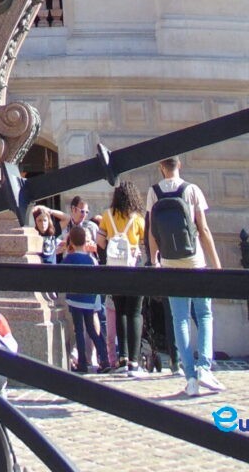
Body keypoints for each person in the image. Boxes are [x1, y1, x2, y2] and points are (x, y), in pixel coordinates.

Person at [146, 155, 223, 398]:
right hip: (194, 260)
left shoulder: (153, 191)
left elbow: (151, 232)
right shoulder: (192, 190)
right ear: (179, 165)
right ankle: (204, 368)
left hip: (169, 261)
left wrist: (153, 260)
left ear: (161, 167)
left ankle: (189, 376)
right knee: (204, 313)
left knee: (179, 318)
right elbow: (204, 230)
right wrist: (216, 264)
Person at [96, 181, 148, 378]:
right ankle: (134, 362)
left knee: (120, 313)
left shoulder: (107, 215)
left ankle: (123, 358)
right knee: (134, 313)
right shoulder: (137, 218)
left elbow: (100, 240)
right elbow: (146, 241)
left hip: (115, 268)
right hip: (133, 269)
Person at [63, 225, 111, 374]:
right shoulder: (90, 260)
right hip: (88, 300)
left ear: (71, 241)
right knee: (91, 329)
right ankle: (104, 358)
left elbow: (60, 274)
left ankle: (83, 362)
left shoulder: (69, 258)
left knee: (79, 330)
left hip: (75, 299)